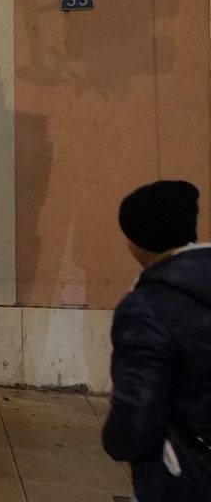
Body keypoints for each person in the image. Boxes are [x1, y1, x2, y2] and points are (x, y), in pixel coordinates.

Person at [103, 180, 211, 501]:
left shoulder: (147, 308)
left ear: (137, 239)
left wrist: (115, 440)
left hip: (181, 477)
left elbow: (135, 420)